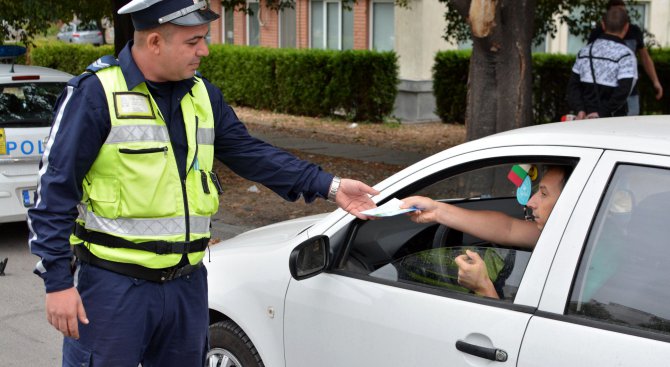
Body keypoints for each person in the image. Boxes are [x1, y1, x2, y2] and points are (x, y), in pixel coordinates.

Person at [27, 0, 378, 366]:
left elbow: (251, 154)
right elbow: (53, 192)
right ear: (155, 43)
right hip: (114, 288)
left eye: (204, 39)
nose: (204, 50)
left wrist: (331, 186)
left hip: (187, 286)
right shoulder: (95, 94)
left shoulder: (203, 95)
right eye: (193, 41)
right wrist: (57, 283)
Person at [400, 165, 571, 299]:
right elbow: (507, 228)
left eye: (543, 193)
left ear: (571, 201)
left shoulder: (588, 270)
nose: (531, 202)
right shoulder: (566, 235)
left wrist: (483, 286)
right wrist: (436, 210)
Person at [588, 0, 663, 115]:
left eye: (623, 12)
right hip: (604, 92)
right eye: (616, 12)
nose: (620, 16)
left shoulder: (634, 31)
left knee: (630, 126)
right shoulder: (597, 33)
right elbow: (588, 61)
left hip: (630, 92)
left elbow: (645, 58)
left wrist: (655, 81)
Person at [567, 6, 637, 119]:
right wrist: (602, 112)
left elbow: (573, 86)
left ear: (603, 25)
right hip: (612, 120)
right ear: (626, 27)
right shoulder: (626, 55)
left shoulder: (585, 52)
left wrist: (580, 109)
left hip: (584, 118)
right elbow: (624, 90)